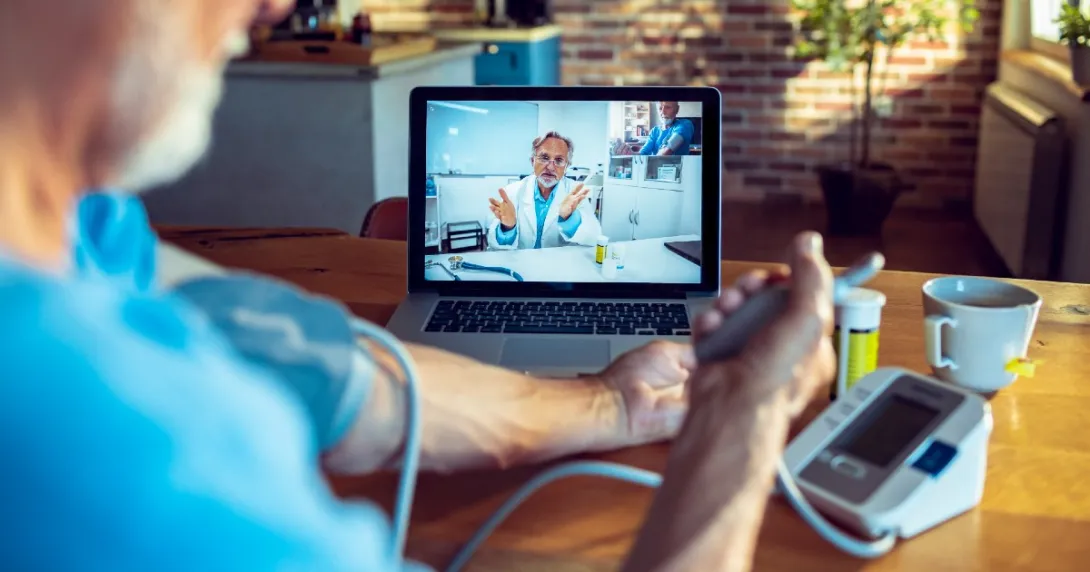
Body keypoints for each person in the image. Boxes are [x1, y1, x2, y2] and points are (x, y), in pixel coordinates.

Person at [0, 2, 837, 571]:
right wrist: (742, 417)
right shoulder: (90, 432)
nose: (279, 8)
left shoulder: (88, 230)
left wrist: (612, 406)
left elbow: (319, 365)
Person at [486, 131, 603, 250]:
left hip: (558, 265)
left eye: (558, 160)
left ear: (566, 166)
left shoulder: (576, 194)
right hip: (521, 264)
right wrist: (508, 228)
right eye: (544, 158)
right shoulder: (512, 192)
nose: (551, 167)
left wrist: (570, 219)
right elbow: (494, 247)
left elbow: (593, 238)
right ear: (533, 161)